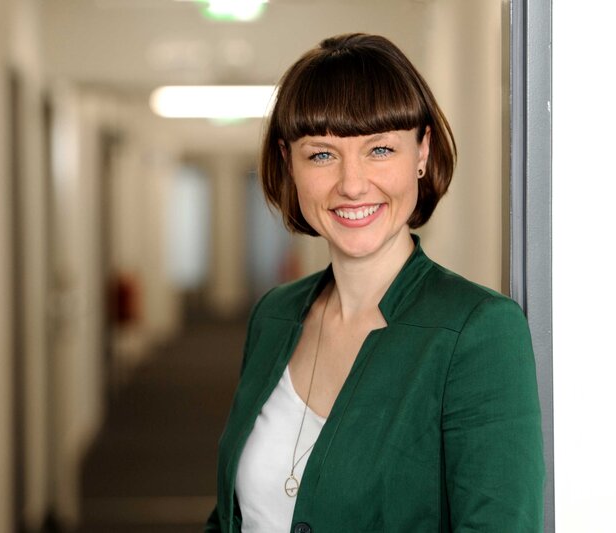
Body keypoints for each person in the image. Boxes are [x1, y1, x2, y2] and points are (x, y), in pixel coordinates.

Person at [206, 33, 544, 532]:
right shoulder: (274, 315)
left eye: (380, 149)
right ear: (288, 162)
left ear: (423, 151)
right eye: (322, 155)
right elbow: (230, 518)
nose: (352, 184)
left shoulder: (478, 332)